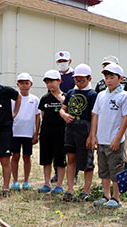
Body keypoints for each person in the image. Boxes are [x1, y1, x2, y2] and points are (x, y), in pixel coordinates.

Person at [90, 63, 127, 208]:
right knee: (104, 169)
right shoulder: (101, 95)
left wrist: (118, 138)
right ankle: (106, 195)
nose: (108, 80)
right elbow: (95, 115)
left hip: (115, 140)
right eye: (106, 77)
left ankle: (116, 197)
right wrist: (94, 136)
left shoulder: (124, 96)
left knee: (116, 169)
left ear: (120, 78)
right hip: (102, 139)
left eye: (112, 77)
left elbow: (126, 118)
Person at [59, 64, 97, 202]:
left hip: (85, 127)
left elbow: (94, 116)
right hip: (71, 127)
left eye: (82, 80)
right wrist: (64, 115)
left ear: (89, 79)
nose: (79, 83)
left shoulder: (92, 94)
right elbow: (62, 109)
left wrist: (92, 135)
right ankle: (70, 189)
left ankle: (87, 189)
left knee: (87, 160)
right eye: (77, 80)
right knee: (71, 158)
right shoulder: (70, 92)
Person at [37, 70, 66, 194]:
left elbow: (67, 111)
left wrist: (61, 100)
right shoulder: (44, 98)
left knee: (60, 160)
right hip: (46, 132)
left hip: (61, 133)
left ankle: (59, 185)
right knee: (46, 159)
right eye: (47, 82)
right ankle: (47, 183)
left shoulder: (66, 97)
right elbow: (42, 115)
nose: (50, 85)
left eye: (52, 81)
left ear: (59, 81)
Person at [9, 73, 40, 191]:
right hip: (15, 132)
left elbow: (38, 117)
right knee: (15, 156)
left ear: (31, 84)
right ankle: (15, 181)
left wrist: (36, 133)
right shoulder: (13, 100)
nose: (24, 86)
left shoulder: (35, 99)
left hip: (28, 133)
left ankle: (26, 181)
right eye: (21, 83)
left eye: (26, 83)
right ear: (17, 84)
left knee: (27, 157)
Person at [54, 50, 77, 184]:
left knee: (71, 147)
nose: (62, 64)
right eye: (60, 61)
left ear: (70, 61)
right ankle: (57, 171)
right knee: (57, 145)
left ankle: (73, 174)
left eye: (64, 61)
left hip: (70, 115)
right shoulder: (54, 76)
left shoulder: (75, 76)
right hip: (57, 115)